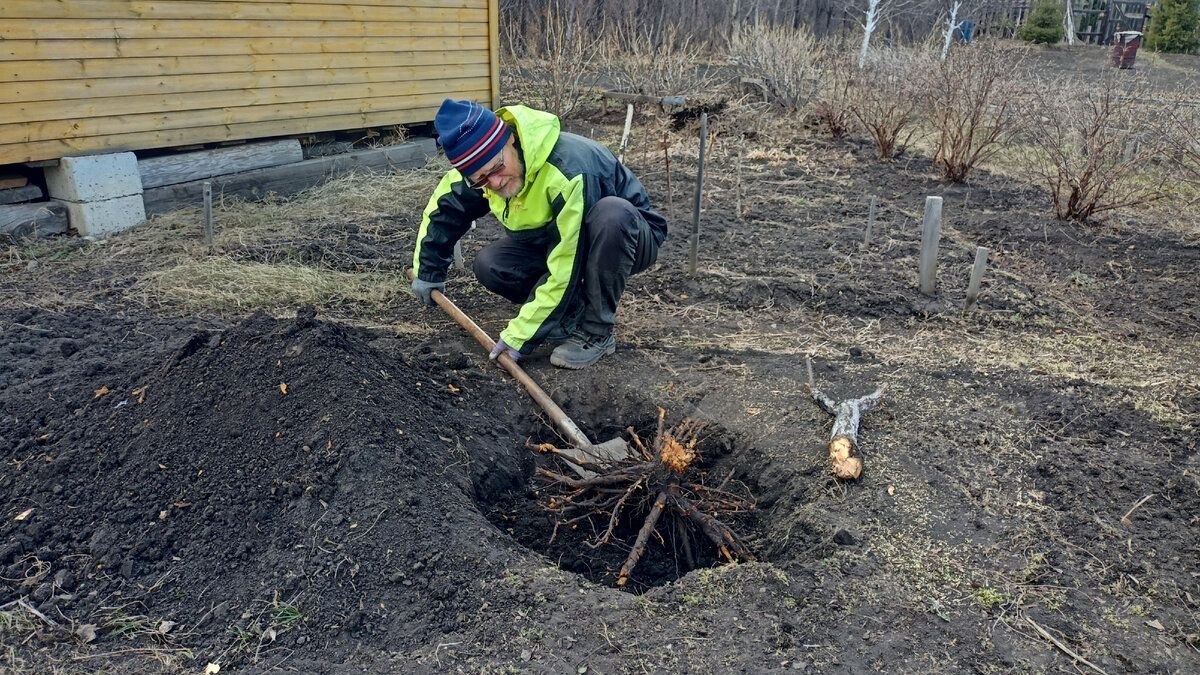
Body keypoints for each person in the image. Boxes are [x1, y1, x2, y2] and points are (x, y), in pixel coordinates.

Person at [411, 99, 667, 369]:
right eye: (482, 180)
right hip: (555, 238)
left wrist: (520, 336)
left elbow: (568, 260)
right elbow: (443, 212)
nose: (495, 182)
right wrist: (428, 272)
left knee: (611, 214)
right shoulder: (480, 173)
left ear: (509, 138)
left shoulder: (568, 170)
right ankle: (570, 314)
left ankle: (596, 332)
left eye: (497, 168)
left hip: (627, 237)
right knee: (491, 264)